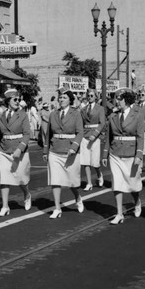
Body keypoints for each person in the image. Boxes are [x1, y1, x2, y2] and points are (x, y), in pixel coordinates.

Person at [102, 87, 144, 225]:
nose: (116, 102)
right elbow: (109, 137)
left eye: (119, 99)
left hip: (131, 154)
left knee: (133, 184)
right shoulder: (112, 116)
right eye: (116, 99)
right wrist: (104, 154)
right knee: (117, 184)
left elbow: (140, 137)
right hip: (115, 153)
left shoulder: (137, 115)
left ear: (126, 100)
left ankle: (137, 201)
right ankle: (119, 213)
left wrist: (139, 154)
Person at [42, 86, 84, 219]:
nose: (61, 99)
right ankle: (57, 208)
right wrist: (45, 150)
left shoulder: (76, 113)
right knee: (55, 180)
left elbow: (80, 132)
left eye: (64, 97)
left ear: (70, 100)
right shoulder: (53, 114)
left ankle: (77, 197)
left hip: (70, 150)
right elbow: (48, 133)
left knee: (72, 181)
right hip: (55, 150)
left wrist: (74, 147)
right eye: (60, 97)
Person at [0, 89, 32, 216]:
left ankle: (27, 194)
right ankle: (5, 206)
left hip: (19, 150)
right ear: (8, 101)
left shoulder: (23, 114)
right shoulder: (1, 115)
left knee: (20, 177)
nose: (17, 102)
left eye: (18, 99)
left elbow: (27, 134)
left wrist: (20, 149)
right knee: (4, 178)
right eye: (15, 99)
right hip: (4, 149)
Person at [80, 89, 106, 190]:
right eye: (88, 96)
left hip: (95, 137)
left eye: (91, 96)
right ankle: (89, 183)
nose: (89, 97)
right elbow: (81, 123)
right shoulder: (83, 109)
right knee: (85, 162)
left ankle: (99, 174)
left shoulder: (100, 108)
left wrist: (95, 134)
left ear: (96, 97)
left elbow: (102, 122)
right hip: (85, 136)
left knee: (95, 162)